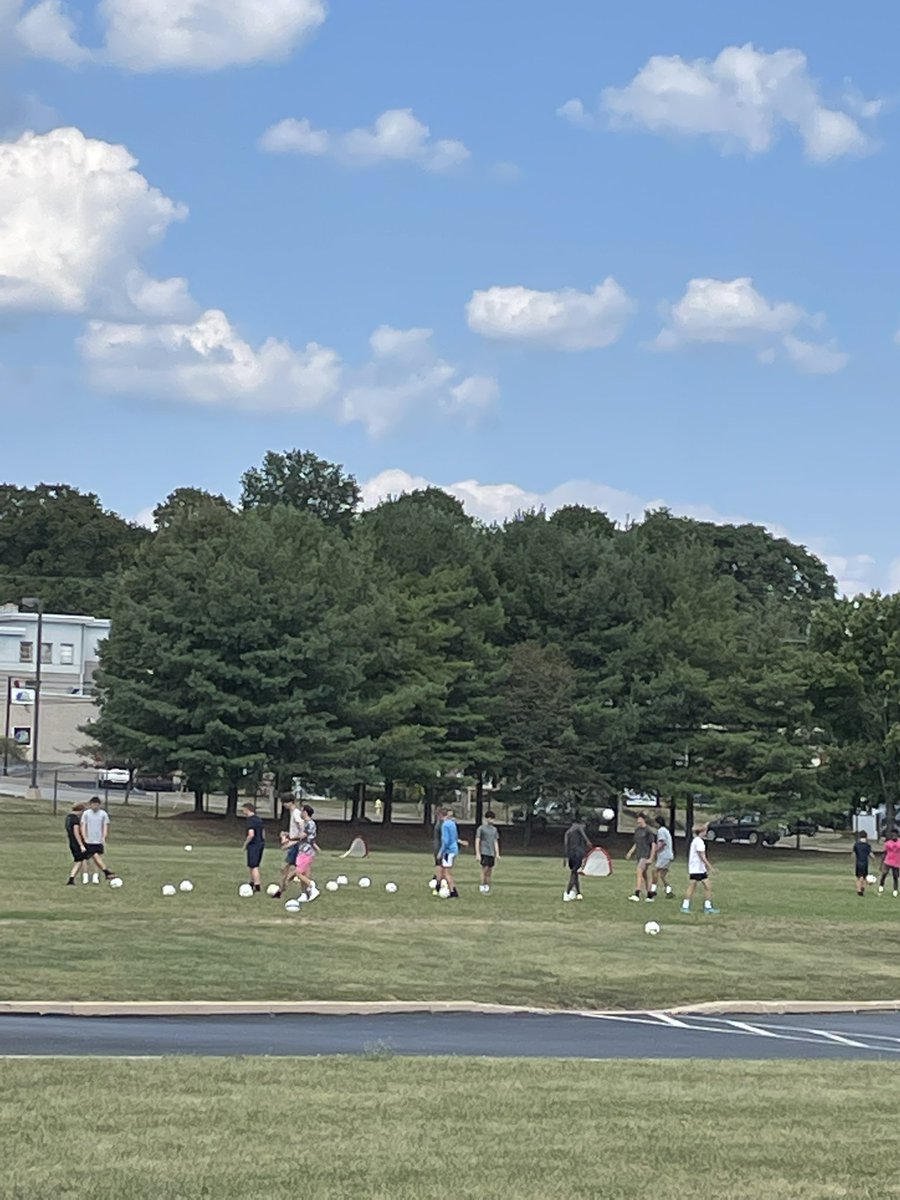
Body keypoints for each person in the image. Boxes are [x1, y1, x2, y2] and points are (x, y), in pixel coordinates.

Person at [681, 824, 719, 914]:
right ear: (702, 832)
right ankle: (705, 907)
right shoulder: (699, 842)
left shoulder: (696, 841)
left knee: (704, 886)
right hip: (697, 869)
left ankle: (688, 906)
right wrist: (710, 867)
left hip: (697, 868)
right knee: (700, 886)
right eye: (705, 831)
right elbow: (702, 856)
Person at [273, 797, 305, 899]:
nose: (284, 804)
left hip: (297, 845)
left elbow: (301, 826)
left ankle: (282, 888)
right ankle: (281, 890)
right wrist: (287, 834)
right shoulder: (294, 813)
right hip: (295, 844)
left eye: (285, 802)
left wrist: (292, 842)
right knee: (287, 868)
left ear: (291, 802)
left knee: (286, 868)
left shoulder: (296, 813)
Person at [79, 796, 116, 882]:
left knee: (97, 859)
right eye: (93, 804)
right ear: (90, 805)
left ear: (99, 805)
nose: (95, 806)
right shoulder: (86, 814)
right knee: (85, 859)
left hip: (98, 840)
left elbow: (105, 826)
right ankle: (85, 876)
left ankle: (95, 876)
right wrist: (84, 838)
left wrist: (103, 838)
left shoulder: (103, 814)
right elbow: (83, 826)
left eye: (97, 805)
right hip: (88, 840)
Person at [625, 813, 655, 902]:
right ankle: (650, 895)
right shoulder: (637, 830)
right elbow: (636, 843)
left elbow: (653, 845)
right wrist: (630, 852)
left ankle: (637, 894)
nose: (638, 821)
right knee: (645, 875)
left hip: (645, 855)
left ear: (643, 819)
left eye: (639, 819)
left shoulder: (648, 831)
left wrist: (651, 858)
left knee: (639, 871)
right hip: (639, 854)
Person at [294, 804, 320, 902]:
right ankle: (304, 894)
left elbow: (302, 836)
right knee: (305, 873)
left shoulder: (309, 823)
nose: (300, 813)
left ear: (305, 812)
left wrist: (288, 837)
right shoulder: (307, 823)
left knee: (298, 872)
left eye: (301, 811)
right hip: (307, 850)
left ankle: (311, 885)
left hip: (305, 851)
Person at [439, 805, 464, 898]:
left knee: (446, 872)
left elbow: (446, 840)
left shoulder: (445, 825)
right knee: (445, 870)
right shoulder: (452, 823)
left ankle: (453, 891)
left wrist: (441, 852)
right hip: (454, 849)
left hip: (448, 851)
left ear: (441, 815)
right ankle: (441, 886)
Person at [563, 817, 590, 902]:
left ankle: (577, 893)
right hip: (577, 854)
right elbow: (583, 833)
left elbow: (565, 845)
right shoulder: (579, 827)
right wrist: (588, 842)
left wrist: (565, 858)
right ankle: (567, 892)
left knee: (575, 873)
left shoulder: (567, 832)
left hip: (571, 855)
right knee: (574, 873)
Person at [648, 815, 675, 900]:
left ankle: (653, 890)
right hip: (669, 855)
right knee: (662, 876)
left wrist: (655, 850)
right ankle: (668, 891)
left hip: (664, 855)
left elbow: (662, 842)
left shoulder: (661, 831)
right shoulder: (666, 830)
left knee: (654, 871)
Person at [241, 802, 265, 892]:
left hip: (253, 845)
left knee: (253, 866)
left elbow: (251, 834)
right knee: (253, 864)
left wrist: (245, 844)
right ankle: (251, 882)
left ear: (248, 809)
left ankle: (257, 885)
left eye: (243, 809)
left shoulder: (250, 820)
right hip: (260, 844)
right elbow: (263, 832)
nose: (243, 811)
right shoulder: (259, 819)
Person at [475, 810, 500, 894]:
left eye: (492, 819)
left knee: (490, 870)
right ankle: (482, 885)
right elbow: (477, 840)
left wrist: (497, 853)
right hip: (484, 851)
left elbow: (495, 841)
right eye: (489, 818)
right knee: (484, 869)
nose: (491, 820)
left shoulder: (494, 830)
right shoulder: (481, 828)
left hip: (491, 853)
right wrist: (478, 853)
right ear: (486, 819)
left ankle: (487, 886)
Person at [65, 801, 89, 885]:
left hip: (71, 842)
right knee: (80, 860)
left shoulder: (68, 817)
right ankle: (71, 879)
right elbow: (76, 832)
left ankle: (81, 878)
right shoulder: (75, 819)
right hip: (76, 842)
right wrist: (81, 845)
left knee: (81, 860)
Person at [878, 829, 900, 897]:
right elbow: (884, 853)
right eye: (892, 835)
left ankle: (895, 890)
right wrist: (881, 864)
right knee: (884, 874)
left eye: (895, 835)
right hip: (888, 861)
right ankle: (881, 886)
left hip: (897, 862)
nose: (894, 836)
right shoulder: (888, 843)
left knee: (895, 876)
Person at [852, 831, 874, 896]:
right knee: (864, 877)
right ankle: (862, 887)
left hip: (858, 862)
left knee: (859, 877)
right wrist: (874, 859)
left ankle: (859, 890)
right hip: (865, 863)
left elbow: (853, 854)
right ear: (866, 837)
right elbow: (871, 854)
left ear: (859, 836)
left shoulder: (856, 844)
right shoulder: (867, 845)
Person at [431, 805, 447, 893]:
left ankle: (439, 880)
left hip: (437, 845)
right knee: (441, 865)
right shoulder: (441, 824)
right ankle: (439, 882)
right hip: (440, 846)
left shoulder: (439, 823)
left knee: (440, 865)